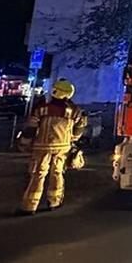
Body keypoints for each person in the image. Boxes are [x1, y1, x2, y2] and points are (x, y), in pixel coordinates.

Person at [16, 79, 88, 215]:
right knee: (57, 173)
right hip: (63, 147)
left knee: (38, 174)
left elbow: (31, 128)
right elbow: (80, 127)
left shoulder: (42, 108)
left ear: (56, 91)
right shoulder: (74, 110)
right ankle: (54, 202)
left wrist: (24, 143)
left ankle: (29, 206)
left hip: (41, 147)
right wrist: (72, 139)